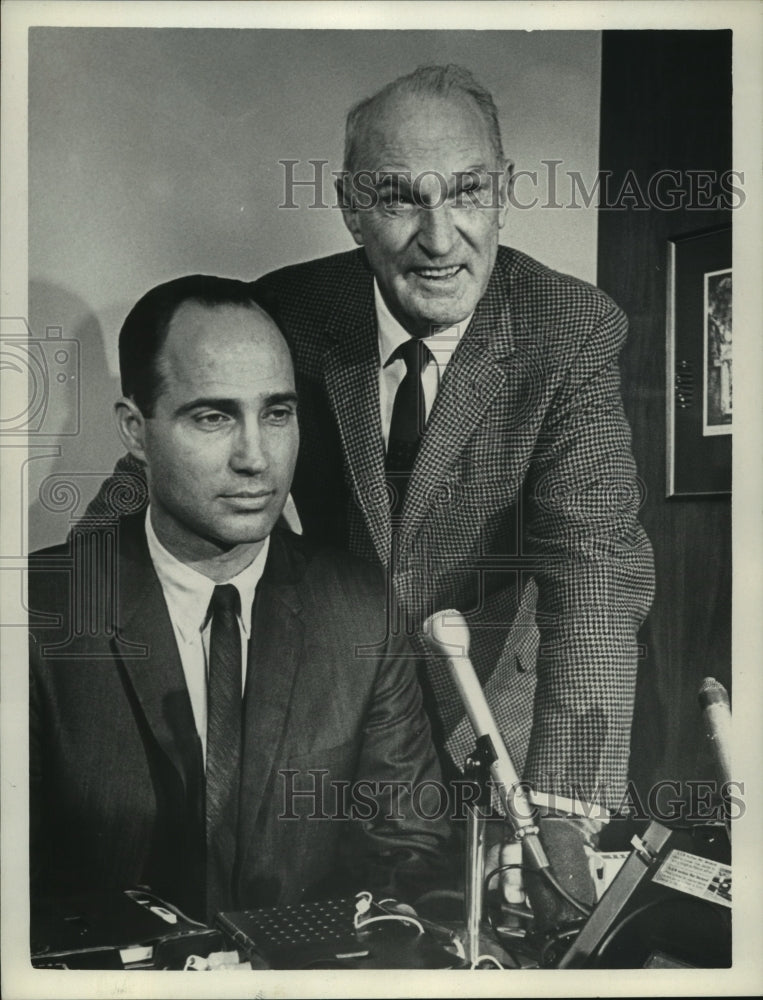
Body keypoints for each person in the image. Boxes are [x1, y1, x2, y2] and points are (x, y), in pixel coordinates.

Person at [87, 64, 654, 816]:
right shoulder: (289, 309)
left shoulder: (569, 329)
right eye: (399, 199)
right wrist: (74, 606)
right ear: (352, 209)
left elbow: (597, 573)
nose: (439, 238)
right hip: (333, 697)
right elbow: (166, 454)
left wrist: (565, 813)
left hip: (502, 713)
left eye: (467, 192)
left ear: (504, 192)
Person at [29, 275, 450, 926]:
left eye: (277, 413)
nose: (256, 458)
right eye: (213, 416)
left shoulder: (359, 609)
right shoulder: (32, 616)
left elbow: (407, 849)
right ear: (136, 433)